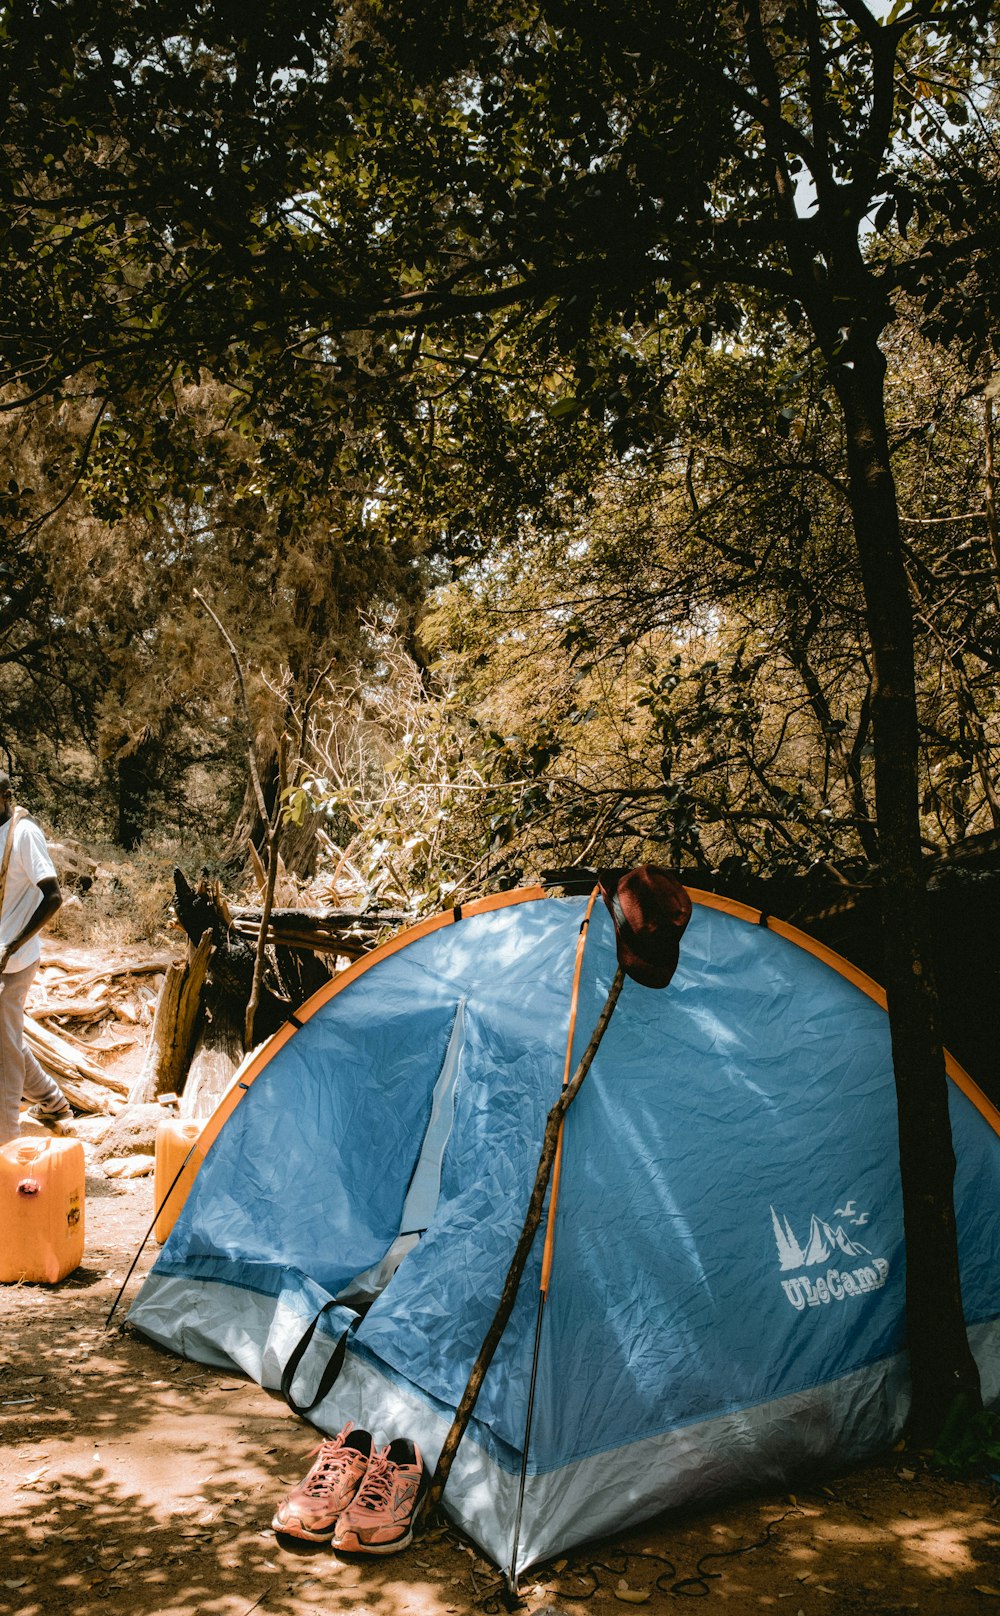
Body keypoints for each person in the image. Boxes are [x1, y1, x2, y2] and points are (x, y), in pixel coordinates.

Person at [0, 772, 68, 1145]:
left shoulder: (24, 835)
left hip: (14, 961)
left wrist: (11, 945)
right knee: (6, 1037)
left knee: (4, 1053)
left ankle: (7, 1142)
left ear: (7, 796)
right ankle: (53, 1102)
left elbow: (53, 896)